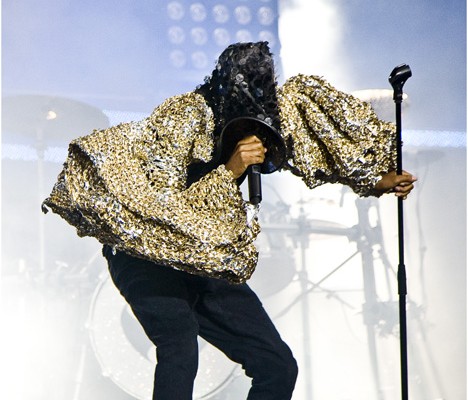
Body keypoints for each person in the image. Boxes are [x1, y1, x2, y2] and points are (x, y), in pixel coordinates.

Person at [42, 42, 416, 399]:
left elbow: (308, 146)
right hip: (145, 253)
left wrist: (378, 181)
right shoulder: (186, 114)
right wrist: (232, 167)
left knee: (277, 365)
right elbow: (165, 204)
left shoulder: (267, 115)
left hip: (203, 259)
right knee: (179, 348)